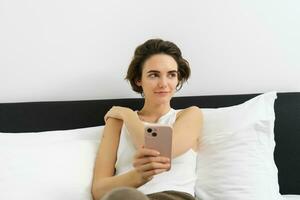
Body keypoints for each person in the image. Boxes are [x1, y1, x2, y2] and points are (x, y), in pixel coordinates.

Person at [91, 39, 203, 200]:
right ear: (138, 80)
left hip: (175, 197)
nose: (164, 83)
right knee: (122, 196)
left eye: (171, 75)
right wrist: (137, 176)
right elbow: (99, 191)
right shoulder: (116, 123)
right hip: (130, 198)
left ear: (178, 79)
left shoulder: (189, 115)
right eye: (154, 75)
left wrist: (128, 115)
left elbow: (161, 151)